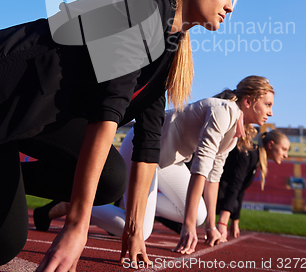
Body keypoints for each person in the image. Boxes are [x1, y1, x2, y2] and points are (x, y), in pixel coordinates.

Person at [0, 0, 241, 270]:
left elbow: (148, 141)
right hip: (10, 90)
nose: (231, 6)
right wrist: (76, 226)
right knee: (6, 242)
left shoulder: (170, 49)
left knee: (111, 179)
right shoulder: (144, 4)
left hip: (34, 116)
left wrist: (135, 231)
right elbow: (107, 111)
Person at [45, 75, 274, 255]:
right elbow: (200, 167)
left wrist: (211, 227)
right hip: (143, 149)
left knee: (200, 215)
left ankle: (140, 206)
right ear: (248, 101)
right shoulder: (223, 111)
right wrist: (187, 226)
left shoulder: (236, 134)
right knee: (141, 232)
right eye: (267, 104)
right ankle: (75, 205)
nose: (270, 112)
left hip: (169, 162)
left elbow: (213, 178)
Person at [216, 129, 290, 241]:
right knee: (186, 223)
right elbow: (234, 186)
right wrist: (222, 223)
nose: (286, 155)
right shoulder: (248, 153)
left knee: (235, 203)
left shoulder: (255, 157)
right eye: (284, 149)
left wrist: (235, 221)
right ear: (270, 144)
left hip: (219, 194)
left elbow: (240, 190)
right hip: (207, 193)